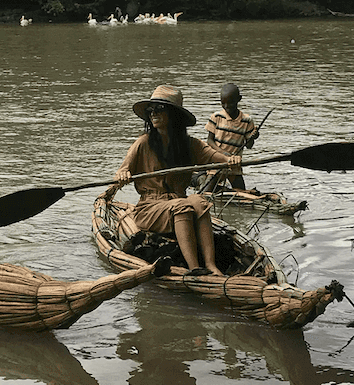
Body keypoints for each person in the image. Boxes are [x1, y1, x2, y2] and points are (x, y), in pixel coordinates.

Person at [108, 85, 241, 275]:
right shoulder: (143, 143)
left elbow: (212, 156)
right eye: (151, 110)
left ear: (174, 115)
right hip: (149, 208)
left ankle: (211, 266)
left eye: (159, 109)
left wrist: (230, 160)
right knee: (183, 206)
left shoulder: (188, 144)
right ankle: (195, 268)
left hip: (178, 200)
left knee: (199, 201)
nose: (153, 113)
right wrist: (122, 177)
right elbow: (121, 173)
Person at [204, 83, 261, 190]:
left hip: (234, 165)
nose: (226, 106)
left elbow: (249, 145)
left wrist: (253, 137)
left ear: (239, 99)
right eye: (223, 103)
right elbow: (210, 142)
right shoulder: (216, 117)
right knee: (206, 191)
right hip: (217, 162)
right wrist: (224, 153)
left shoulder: (247, 120)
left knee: (241, 193)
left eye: (230, 103)